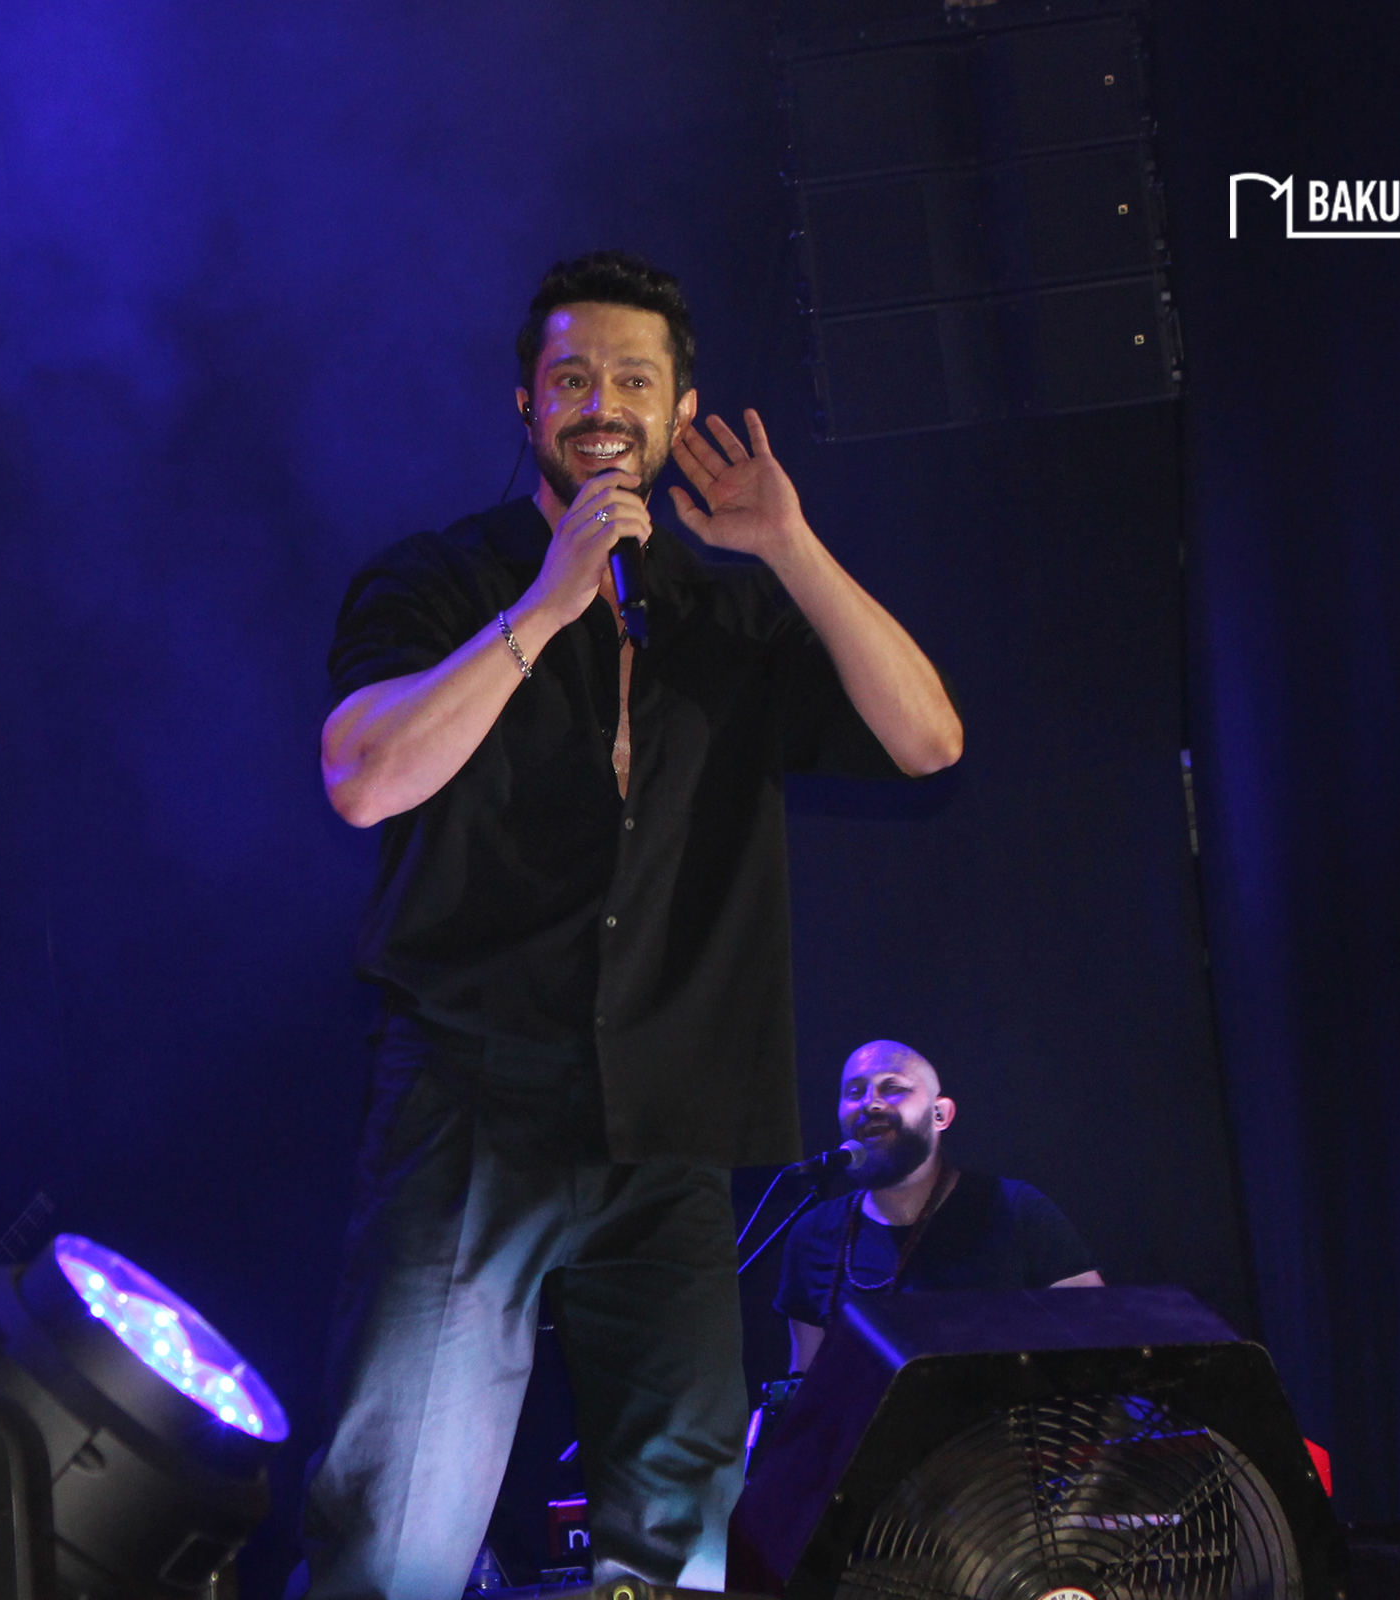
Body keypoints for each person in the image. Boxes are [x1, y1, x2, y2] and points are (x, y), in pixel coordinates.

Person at [306, 250, 963, 1600]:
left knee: (677, 1534)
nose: (601, 405)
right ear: (525, 404)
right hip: (469, 1101)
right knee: (398, 1522)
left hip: (669, 1122)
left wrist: (789, 547)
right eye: (571, 379)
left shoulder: (732, 610)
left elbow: (930, 741)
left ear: (682, 412)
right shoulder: (442, 580)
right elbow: (363, 780)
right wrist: (547, 604)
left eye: (633, 380)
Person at [776, 1039, 1103, 1373]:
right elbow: (805, 1378)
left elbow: (1096, 1346)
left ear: (940, 1114)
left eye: (892, 1088)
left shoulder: (1017, 1208)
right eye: (855, 1092)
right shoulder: (814, 1233)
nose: (870, 1103)